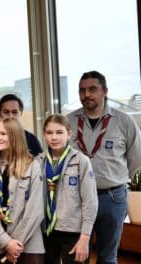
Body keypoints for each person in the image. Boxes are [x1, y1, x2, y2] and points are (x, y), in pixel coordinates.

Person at [67, 71, 141, 263]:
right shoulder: (69, 121)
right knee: (78, 256)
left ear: (105, 91)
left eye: (93, 89)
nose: (87, 95)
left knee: (107, 257)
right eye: (82, 90)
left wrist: (114, 177)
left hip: (112, 198)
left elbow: (136, 158)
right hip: (78, 198)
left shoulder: (124, 121)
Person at [0, 118, 44, 264]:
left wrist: (15, 244)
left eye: (3, 134)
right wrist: (6, 242)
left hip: (27, 245)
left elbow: (35, 210)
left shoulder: (32, 166)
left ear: (15, 137)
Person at [38, 114, 98, 264]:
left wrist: (85, 237)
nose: (54, 137)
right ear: (44, 135)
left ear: (69, 134)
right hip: (46, 231)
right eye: (49, 133)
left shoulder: (81, 161)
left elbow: (90, 202)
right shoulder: (38, 162)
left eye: (59, 132)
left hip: (73, 232)